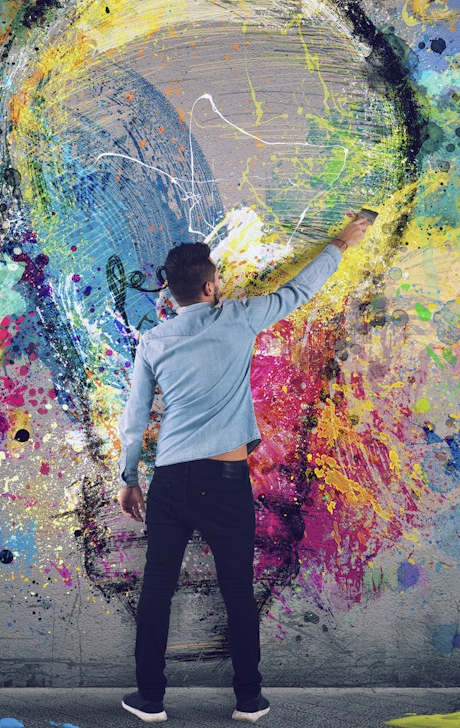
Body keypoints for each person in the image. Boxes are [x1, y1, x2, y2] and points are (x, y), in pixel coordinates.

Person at [117, 215, 372, 723]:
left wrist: (128, 479)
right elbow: (299, 290)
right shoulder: (238, 318)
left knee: (158, 588)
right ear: (211, 287)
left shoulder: (153, 341)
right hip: (225, 480)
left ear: (171, 293)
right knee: (236, 589)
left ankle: (151, 700)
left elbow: (135, 417)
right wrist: (343, 241)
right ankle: (249, 700)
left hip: (169, 480)